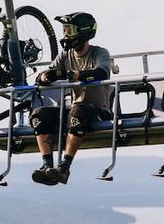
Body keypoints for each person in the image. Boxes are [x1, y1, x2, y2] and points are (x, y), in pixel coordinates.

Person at [30, 12, 111, 185]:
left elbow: (100, 72)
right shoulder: (65, 55)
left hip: (98, 110)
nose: (66, 35)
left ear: (83, 31)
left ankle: (64, 168)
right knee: (39, 115)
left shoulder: (100, 53)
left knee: (77, 112)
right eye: (65, 30)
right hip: (76, 109)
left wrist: (73, 75)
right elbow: (44, 74)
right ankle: (47, 166)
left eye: (70, 30)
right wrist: (45, 77)